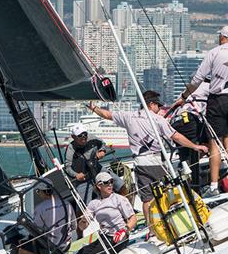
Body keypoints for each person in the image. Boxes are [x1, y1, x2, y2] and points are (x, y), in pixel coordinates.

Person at [87, 90, 209, 220]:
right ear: (151, 104)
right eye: (158, 105)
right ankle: (171, 222)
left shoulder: (129, 116)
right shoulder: (157, 119)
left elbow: (106, 114)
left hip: (140, 163)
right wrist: (196, 146)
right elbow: (176, 137)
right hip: (155, 162)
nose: (159, 108)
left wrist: (93, 107)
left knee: (147, 199)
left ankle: (152, 230)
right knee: (166, 193)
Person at [170, 25, 228, 197]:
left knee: (214, 141)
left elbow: (198, 78)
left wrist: (185, 96)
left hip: (218, 100)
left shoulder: (215, 52)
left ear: (222, 37)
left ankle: (214, 185)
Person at [13, 178, 76, 254]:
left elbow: (37, 232)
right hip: (67, 244)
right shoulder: (67, 204)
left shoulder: (40, 209)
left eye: (38, 192)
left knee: (17, 248)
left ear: (41, 192)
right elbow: (74, 225)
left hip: (51, 248)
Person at [64, 123, 124, 203]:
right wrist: (76, 175)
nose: (83, 137)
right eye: (80, 135)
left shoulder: (92, 138)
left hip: (97, 169)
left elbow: (102, 143)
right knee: (85, 207)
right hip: (84, 178)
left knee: (121, 186)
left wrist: (102, 150)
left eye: (85, 134)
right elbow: (67, 167)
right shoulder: (71, 149)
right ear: (73, 137)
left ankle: (126, 206)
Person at [169, 80, 209, 190]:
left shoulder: (188, 90)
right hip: (189, 120)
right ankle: (195, 186)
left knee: (184, 150)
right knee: (196, 149)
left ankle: (185, 174)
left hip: (176, 121)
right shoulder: (209, 86)